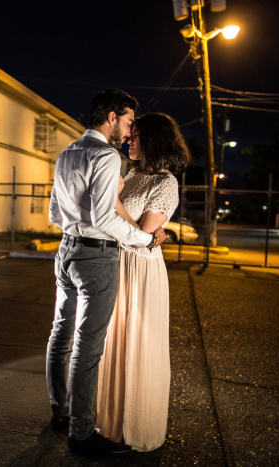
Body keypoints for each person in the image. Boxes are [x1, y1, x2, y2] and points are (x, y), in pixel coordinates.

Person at [47, 89, 166, 458]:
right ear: (112, 117)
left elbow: (54, 212)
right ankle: (81, 435)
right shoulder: (105, 155)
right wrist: (144, 239)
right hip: (96, 257)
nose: (130, 132)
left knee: (61, 334)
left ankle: (60, 413)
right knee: (87, 347)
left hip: (65, 250)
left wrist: (74, 227)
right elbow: (103, 217)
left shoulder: (68, 152)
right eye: (129, 122)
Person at [95, 113, 191, 452]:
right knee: (113, 343)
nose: (128, 140)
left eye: (135, 136)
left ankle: (134, 429)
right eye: (129, 134)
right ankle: (109, 422)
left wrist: (115, 202)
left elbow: (142, 235)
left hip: (141, 272)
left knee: (135, 344)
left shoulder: (166, 184)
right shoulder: (133, 174)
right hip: (117, 266)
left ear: (153, 140)